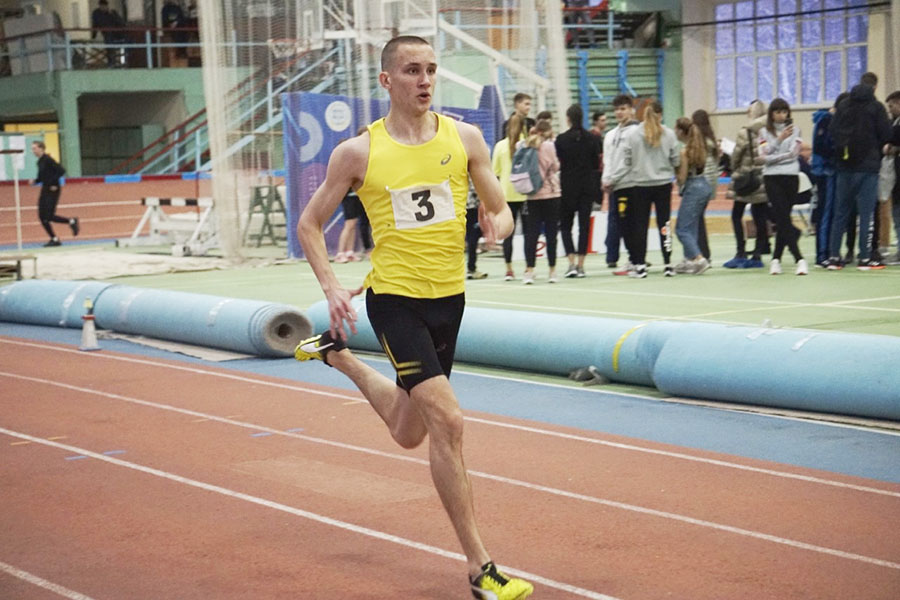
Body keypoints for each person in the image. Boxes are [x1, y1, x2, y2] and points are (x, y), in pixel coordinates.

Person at [293, 35, 532, 600]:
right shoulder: (358, 153)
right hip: (395, 301)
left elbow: (500, 209)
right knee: (448, 421)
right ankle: (481, 569)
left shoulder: (464, 138)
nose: (424, 80)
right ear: (387, 80)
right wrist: (331, 287)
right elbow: (309, 224)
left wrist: (498, 227)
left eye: (430, 70)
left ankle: (340, 357)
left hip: (450, 300)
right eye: (411, 71)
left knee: (408, 431)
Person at [827, 72, 894, 270]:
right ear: (874, 87)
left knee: (840, 213)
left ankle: (834, 257)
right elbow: (886, 134)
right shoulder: (876, 107)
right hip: (868, 167)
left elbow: (832, 131)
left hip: (844, 166)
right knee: (866, 214)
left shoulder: (844, 105)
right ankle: (864, 257)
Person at [606, 101, 679, 278]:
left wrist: (613, 179)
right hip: (663, 185)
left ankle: (640, 265)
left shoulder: (633, 135)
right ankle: (668, 263)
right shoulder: (669, 134)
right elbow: (675, 160)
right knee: (664, 225)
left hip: (641, 185)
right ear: (660, 115)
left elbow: (627, 162)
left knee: (640, 226)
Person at [756, 98, 808, 275]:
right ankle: (799, 259)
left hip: (791, 177)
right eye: (777, 112)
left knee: (783, 218)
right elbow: (763, 153)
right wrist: (779, 140)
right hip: (772, 178)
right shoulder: (763, 132)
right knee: (782, 217)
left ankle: (776, 259)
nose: (781, 115)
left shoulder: (796, 130)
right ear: (771, 114)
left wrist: (772, 159)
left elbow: (794, 154)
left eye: (784, 112)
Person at [556, 103, 601, 277]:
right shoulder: (592, 139)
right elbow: (596, 164)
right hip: (586, 186)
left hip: (567, 186)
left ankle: (571, 263)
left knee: (566, 226)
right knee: (584, 226)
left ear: (568, 119)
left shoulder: (561, 139)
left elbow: (560, 162)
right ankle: (581, 265)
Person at [725, 99, 770, 269]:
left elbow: (736, 155)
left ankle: (740, 251)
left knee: (736, 215)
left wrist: (735, 168)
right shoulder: (769, 131)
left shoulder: (745, 132)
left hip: (745, 178)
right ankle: (757, 254)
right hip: (762, 178)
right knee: (760, 217)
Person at [521, 119, 562, 284]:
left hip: (532, 194)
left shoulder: (525, 145)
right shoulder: (549, 146)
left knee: (532, 234)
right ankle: (552, 271)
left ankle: (529, 270)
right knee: (551, 234)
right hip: (551, 194)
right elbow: (555, 166)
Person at [810, 92, 848, 267]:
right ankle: (822, 254)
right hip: (826, 172)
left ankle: (830, 251)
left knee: (831, 213)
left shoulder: (830, 120)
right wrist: (837, 154)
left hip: (831, 171)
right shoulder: (826, 120)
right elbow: (820, 147)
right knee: (826, 213)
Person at [601, 95, 639, 269]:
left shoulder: (637, 132)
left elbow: (630, 161)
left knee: (632, 222)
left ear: (631, 110)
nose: (619, 112)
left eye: (623, 109)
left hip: (633, 184)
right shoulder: (610, 135)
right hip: (614, 185)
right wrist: (606, 179)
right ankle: (612, 256)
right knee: (615, 221)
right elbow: (608, 160)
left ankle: (635, 257)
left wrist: (614, 178)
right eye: (616, 109)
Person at [673, 117, 713, 274]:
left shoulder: (685, 152)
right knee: (692, 226)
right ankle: (689, 259)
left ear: (681, 132)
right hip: (704, 185)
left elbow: (682, 178)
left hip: (693, 188)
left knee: (681, 229)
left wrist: (675, 171)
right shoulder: (699, 148)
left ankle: (699, 258)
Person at [493, 113, 529, 280]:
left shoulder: (500, 146)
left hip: (506, 194)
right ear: (524, 127)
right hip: (526, 194)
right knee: (529, 233)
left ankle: (509, 269)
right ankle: (529, 268)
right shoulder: (527, 144)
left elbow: (496, 172)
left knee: (508, 234)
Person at [31, 141, 79, 247]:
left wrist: (53, 183)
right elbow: (42, 177)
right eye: (32, 149)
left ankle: (71, 221)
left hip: (53, 189)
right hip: (45, 189)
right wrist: (35, 181)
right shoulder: (39, 162)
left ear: (41, 148)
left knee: (48, 216)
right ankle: (54, 238)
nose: (33, 151)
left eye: (34, 148)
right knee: (42, 216)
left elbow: (61, 171)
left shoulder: (48, 159)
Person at [690, 109, 718, 262]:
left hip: (701, 181)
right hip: (711, 181)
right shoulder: (710, 139)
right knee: (698, 217)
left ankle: (701, 253)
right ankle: (702, 252)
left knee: (696, 219)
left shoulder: (698, 141)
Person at [885, 90, 900, 265]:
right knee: (896, 214)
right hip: (896, 176)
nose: (890, 110)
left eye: (891, 106)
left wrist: (893, 149)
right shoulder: (893, 122)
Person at [91, 0, 125, 66]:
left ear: (107, 6)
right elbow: (95, 24)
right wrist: (93, 36)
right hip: (107, 35)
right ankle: (111, 62)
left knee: (112, 42)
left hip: (117, 34)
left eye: (104, 6)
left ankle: (115, 62)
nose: (103, 8)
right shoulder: (96, 13)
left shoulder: (113, 13)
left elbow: (121, 23)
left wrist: (112, 15)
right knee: (109, 42)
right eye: (101, 6)